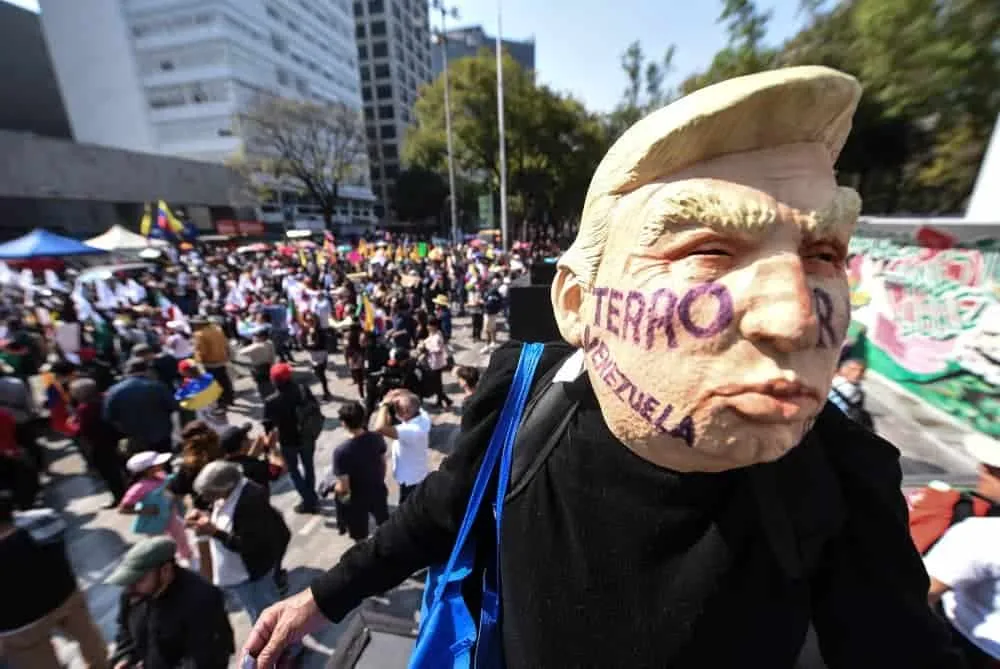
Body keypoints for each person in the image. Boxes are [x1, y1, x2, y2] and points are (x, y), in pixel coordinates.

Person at [243, 67, 966, 668]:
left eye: (824, 253)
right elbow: (443, 508)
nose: (796, 316)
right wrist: (323, 597)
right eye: (709, 251)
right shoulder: (526, 395)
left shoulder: (843, 479)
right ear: (577, 302)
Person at [0, 493, 108, 669]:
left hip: (19, 623)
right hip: (64, 596)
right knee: (89, 638)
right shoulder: (44, 519)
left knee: (37, 661)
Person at [924, 435, 1000, 667]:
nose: (982, 470)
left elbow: (915, 597)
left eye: (992, 469)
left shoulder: (980, 535)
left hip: (966, 648)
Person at [187, 462, 293, 626]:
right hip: (242, 574)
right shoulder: (231, 493)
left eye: (209, 494)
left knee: (267, 617)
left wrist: (214, 532)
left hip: (252, 575)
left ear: (224, 487)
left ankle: (285, 640)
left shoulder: (249, 501)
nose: (206, 499)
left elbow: (248, 544)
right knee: (260, 613)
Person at [107, 536, 234, 669]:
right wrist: (124, 658)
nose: (130, 587)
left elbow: (205, 660)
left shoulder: (201, 600)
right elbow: (126, 631)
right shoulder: (135, 593)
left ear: (165, 570)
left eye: (139, 579)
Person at [263, 363, 320, 514]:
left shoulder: (271, 401)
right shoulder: (302, 390)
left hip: (288, 441)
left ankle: (309, 500)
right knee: (309, 467)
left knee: (293, 471)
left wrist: (271, 446)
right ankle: (311, 497)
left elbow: (268, 426)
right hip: (307, 436)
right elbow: (315, 407)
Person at [118, 451, 192, 563]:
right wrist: (145, 510)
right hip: (154, 522)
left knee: (181, 535)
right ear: (148, 469)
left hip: (170, 514)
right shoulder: (138, 488)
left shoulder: (161, 476)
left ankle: (187, 557)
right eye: (157, 463)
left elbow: (170, 486)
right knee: (161, 545)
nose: (162, 464)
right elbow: (123, 508)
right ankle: (168, 563)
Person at [329, 402, 389, 541]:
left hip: (357, 498)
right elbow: (383, 463)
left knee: (359, 534)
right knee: (384, 524)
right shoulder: (376, 438)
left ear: (344, 424)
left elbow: (344, 487)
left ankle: (344, 526)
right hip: (377, 489)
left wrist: (333, 487)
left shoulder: (341, 452)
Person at [68, 377, 126, 508]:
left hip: (100, 445)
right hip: (116, 438)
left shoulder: (84, 409)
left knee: (110, 474)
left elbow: (82, 430)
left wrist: (71, 425)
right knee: (122, 468)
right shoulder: (106, 398)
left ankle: (120, 498)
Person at [103, 358, 176, 454]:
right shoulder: (158, 387)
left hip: (134, 439)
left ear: (127, 371)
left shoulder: (113, 391)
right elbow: (173, 407)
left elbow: (109, 417)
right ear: (147, 370)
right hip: (161, 437)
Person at [372, 389, 429, 505]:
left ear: (406, 412)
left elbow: (379, 428)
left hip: (409, 481)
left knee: (407, 508)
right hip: (417, 473)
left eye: (397, 408)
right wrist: (394, 394)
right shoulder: (422, 416)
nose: (395, 411)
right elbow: (409, 395)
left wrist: (384, 405)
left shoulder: (410, 431)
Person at [219, 423, 286, 493]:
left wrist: (261, 443)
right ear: (243, 444)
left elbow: (246, 459)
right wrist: (273, 448)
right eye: (247, 438)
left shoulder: (224, 466)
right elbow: (279, 470)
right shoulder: (253, 466)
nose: (251, 440)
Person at [192, 317, 233, 407]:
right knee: (224, 380)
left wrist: (197, 360)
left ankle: (222, 402)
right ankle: (230, 398)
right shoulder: (218, 329)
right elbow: (225, 343)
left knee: (215, 384)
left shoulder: (199, 334)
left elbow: (202, 351)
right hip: (222, 359)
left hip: (210, 363)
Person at [827, 358, 874, 430]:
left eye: (861, 371)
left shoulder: (859, 394)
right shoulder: (830, 383)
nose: (857, 373)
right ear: (843, 369)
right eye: (853, 369)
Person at [417, 318, 453, 409]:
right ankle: (443, 401)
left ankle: (444, 400)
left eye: (430, 326)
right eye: (427, 325)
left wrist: (427, 349)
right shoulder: (433, 334)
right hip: (432, 362)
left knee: (436, 384)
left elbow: (438, 349)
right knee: (437, 384)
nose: (428, 327)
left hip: (436, 363)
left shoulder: (438, 336)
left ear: (435, 326)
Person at [302, 312, 332, 402]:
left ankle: (326, 392)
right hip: (312, 354)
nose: (309, 322)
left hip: (321, 354)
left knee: (321, 373)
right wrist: (306, 345)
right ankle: (326, 391)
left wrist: (314, 334)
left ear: (316, 320)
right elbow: (303, 342)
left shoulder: (320, 331)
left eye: (311, 320)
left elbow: (320, 344)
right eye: (307, 320)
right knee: (317, 373)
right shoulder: (305, 330)